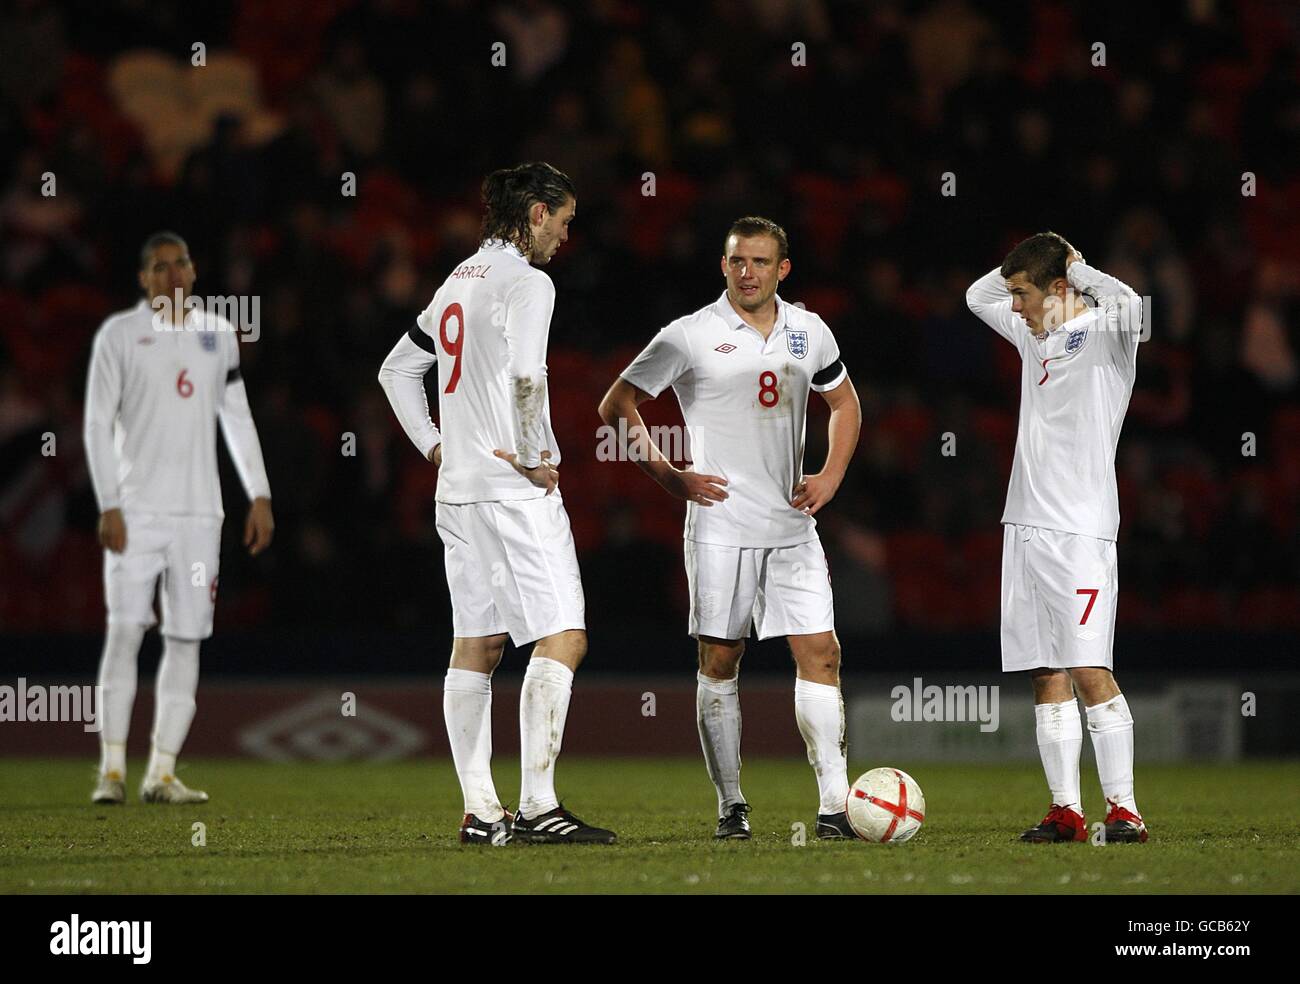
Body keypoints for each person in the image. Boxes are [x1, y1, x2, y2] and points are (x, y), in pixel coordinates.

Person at [598, 216, 862, 840]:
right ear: (723, 265)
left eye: (761, 262)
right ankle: (731, 805)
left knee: (821, 653)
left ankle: (834, 806)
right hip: (719, 525)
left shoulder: (809, 330)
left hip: (792, 524)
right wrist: (670, 476)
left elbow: (845, 403)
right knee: (721, 659)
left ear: (783, 269)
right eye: (738, 261)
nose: (749, 273)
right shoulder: (689, 335)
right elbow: (616, 405)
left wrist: (829, 476)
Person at [378, 162, 615, 845]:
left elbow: (397, 370)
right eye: (564, 221)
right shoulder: (527, 283)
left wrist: (433, 446)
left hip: (457, 492)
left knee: (475, 646)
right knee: (563, 633)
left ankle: (482, 813)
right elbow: (525, 373)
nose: (565, 238)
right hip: (513, 489)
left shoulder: (457, 280)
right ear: (535, 213)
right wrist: (539, 452)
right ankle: (538, 806)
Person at [965, 231, 1148, 843]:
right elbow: (974, 295)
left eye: (1023, 294)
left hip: (1080, 531)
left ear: (1061, 290)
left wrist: (1077, 265)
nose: (1011, 305)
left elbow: (1135, 308)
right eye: (1013, 294)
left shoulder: (1104, 334)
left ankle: (1124, 809)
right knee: (1045, 672)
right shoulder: (1030, 333)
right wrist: (1031, 262)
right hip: (1023, 526)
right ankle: (1065, 810)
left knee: (1089, 667)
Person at [84, 231, 274, 805]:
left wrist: (259, 494)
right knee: (123, 632)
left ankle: (161, 772)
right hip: (137, 512)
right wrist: (108, 503)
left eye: (181, 264)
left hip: (199, 515)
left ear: (193, 271)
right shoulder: (119, 336)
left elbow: (235, 417)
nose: (172, 275)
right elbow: (96, 424)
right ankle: (111, 769)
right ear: (143, 279)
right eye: (160, 267)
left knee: (187, 638)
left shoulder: (218, 334)